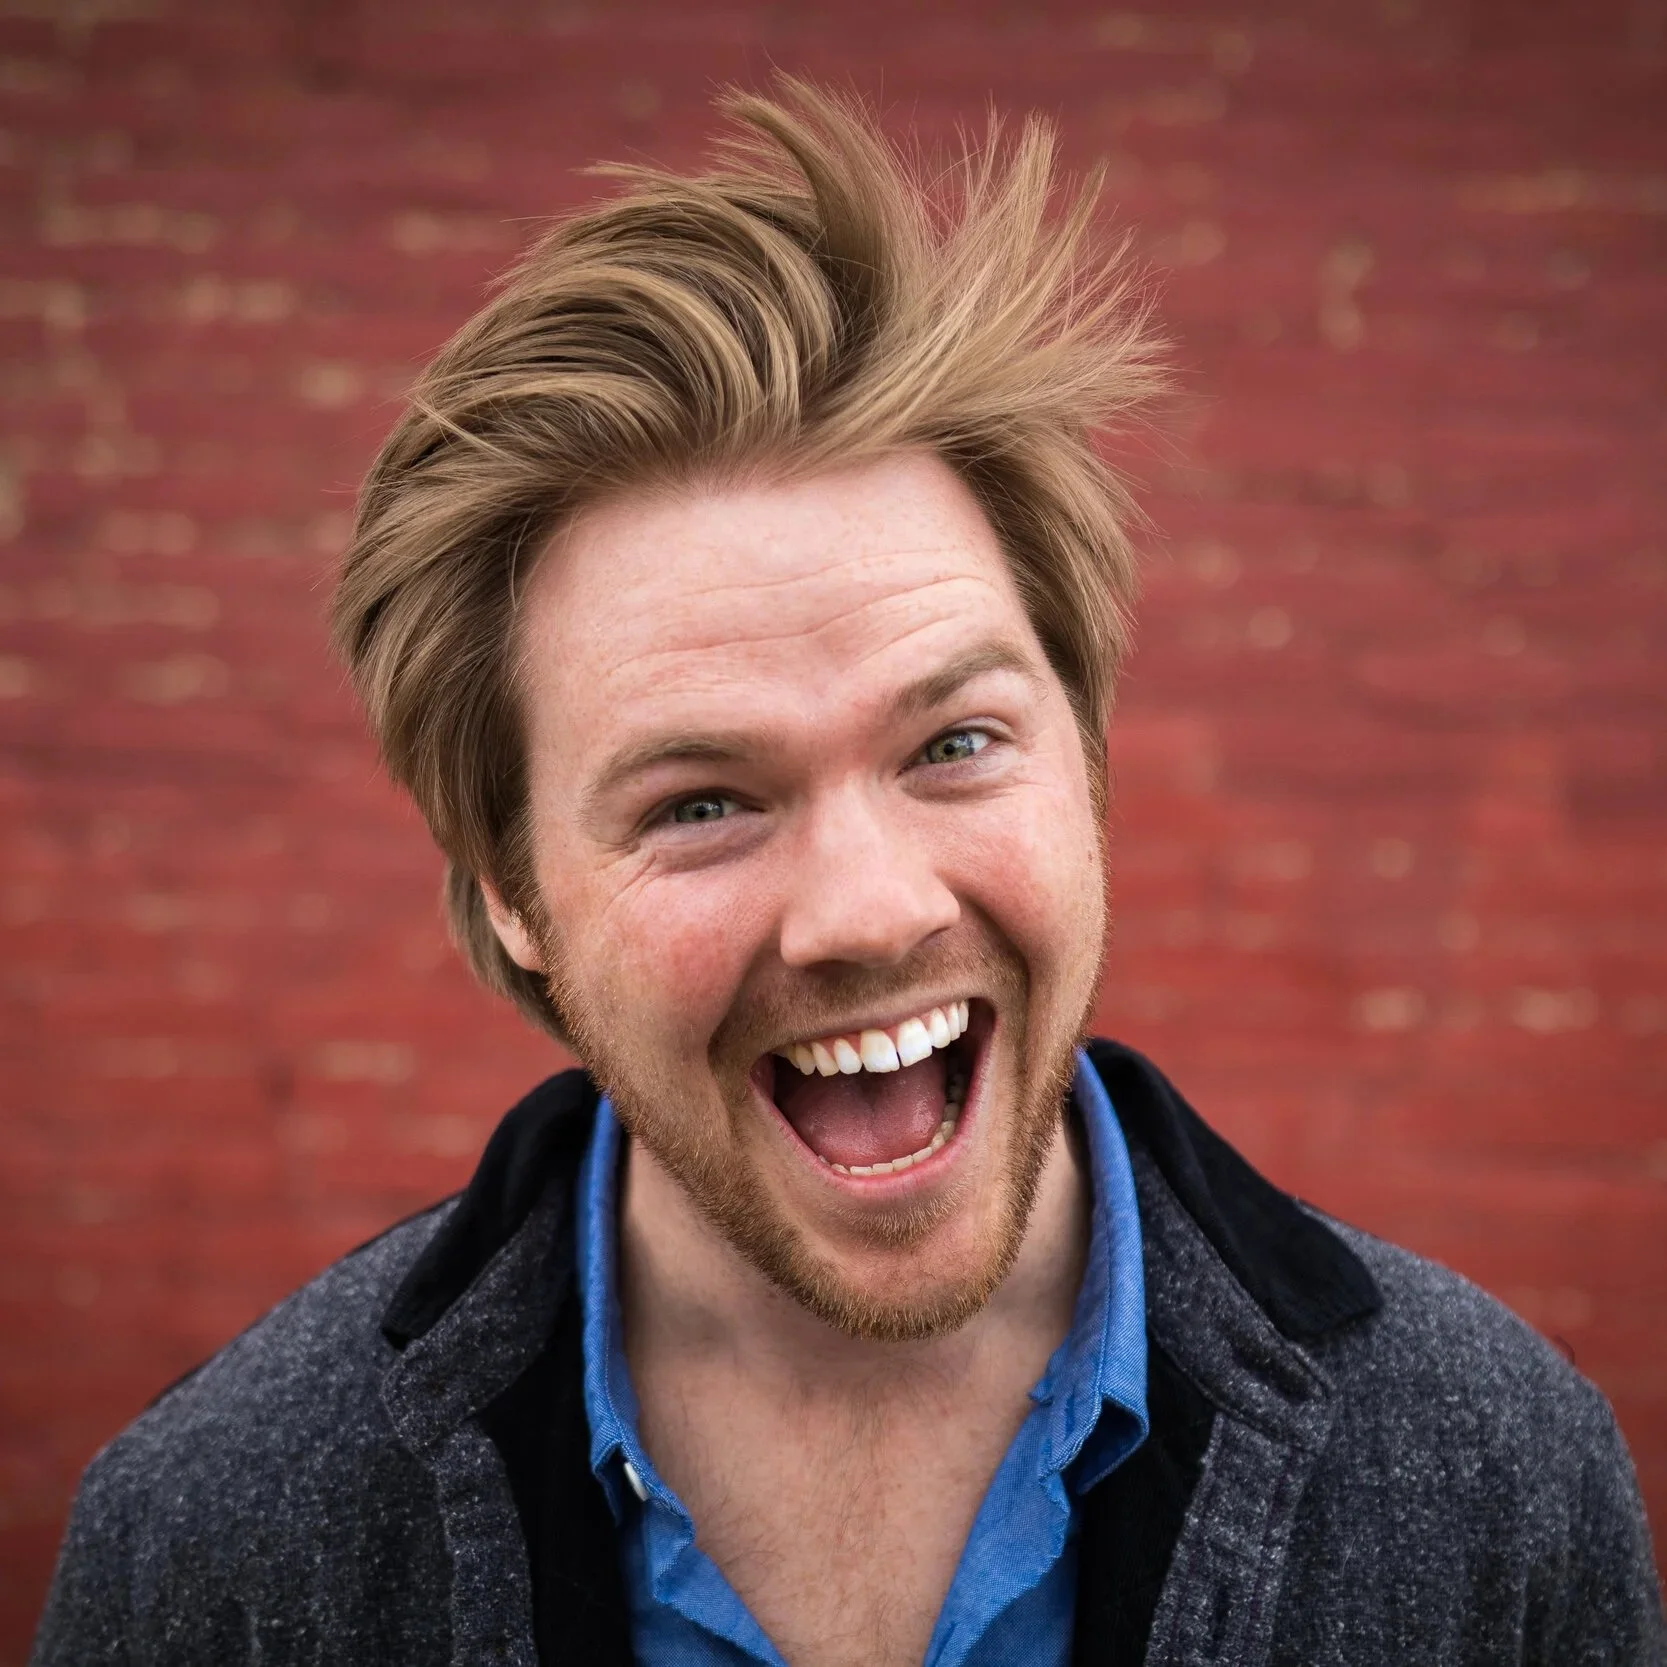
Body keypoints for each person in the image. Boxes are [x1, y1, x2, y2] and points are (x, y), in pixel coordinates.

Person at [32, 80, 1662, 1667]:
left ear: (1086, 759)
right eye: (700, 803)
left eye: (953, 743)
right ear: (513, 888)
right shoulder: (212, 1544)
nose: (873, 910)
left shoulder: (1499, 1482)